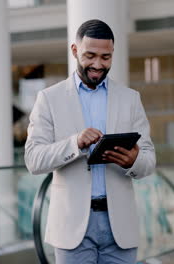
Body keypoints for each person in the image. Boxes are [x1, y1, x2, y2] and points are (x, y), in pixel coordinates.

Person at [24, 19, 156, 264]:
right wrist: (75, 143)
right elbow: (33, 159)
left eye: (106, 57)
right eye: (90, 55)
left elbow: (149, 159)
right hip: (72, 228)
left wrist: (134, 160)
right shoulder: (49, 99)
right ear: (75, 51)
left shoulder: (130, 99)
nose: (98, 64)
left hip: (120, 227)